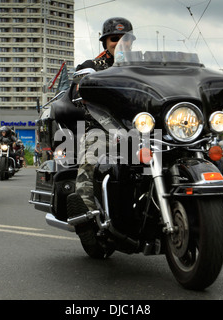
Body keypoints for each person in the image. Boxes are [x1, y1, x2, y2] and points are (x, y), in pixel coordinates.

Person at [66, 17, 135, 226]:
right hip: (102, 127)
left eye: (126, 38)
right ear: (105, 41)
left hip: (138, 128)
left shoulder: (141, 67)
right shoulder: (92, 67)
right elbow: (75, 94)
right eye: (115, 38)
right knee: (92, 155)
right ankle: (86, 216)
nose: (120, 42)